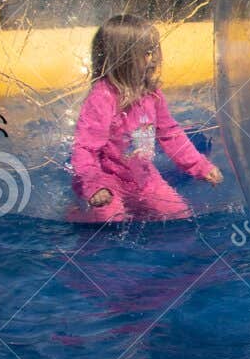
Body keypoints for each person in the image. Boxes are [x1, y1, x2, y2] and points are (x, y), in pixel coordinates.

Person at [69, 14, 223, 223]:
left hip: (143, 176)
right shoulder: (103, 97)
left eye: (153, 51)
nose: (153, 59)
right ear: (123, 58)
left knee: (179, 215)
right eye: (146, 53)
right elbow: (85, 148)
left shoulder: (151, 94)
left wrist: (200, 166)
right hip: (105, 179)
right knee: (111, 219)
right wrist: (93, 185)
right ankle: (77, 214)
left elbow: (171, 135)